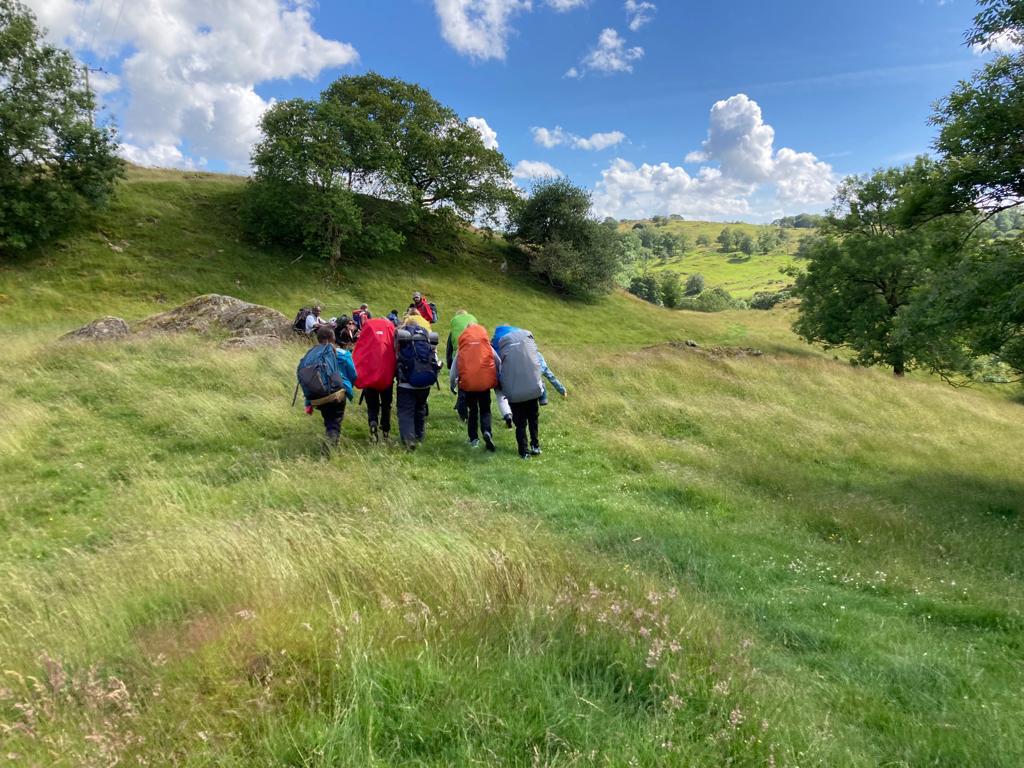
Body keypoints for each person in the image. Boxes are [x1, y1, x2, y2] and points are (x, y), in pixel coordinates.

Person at [296, 326, 354, 452]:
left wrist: (308, 403)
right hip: (336, 393)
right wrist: (348, 388)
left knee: (329, 419)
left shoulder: (311, 354)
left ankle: (330, 440)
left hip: (318, 396)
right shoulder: (343, 354)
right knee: (335, 422)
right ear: (332, 338)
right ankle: (328, 451)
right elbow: (353, 375)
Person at [494, 326, 547, 459]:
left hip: (515, 394)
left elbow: (501, 372)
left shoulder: (502, 349)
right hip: (531, 391)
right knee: (533, 420)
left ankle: (523, 451)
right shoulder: (527, 345)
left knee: (520, 424)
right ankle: (535, 445)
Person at [449, 322, 500, 451]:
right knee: (485, 409)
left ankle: (474, 439)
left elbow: (454, 368)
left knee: (472, 411)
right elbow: (497, 360)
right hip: (484, 383)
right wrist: (498, 375)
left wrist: (452, 384)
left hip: (469, 384)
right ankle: (487, 431)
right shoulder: (485, 343)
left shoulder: (463, 347)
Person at [395, 317, 441, 450]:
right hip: (425, 383)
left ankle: (409, 440)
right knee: (420, 408)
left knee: (405, 412)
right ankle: (419, 436)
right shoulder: (425, 338)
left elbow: (396, 358)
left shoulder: (403, 339)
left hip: (406, 383)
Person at [353, 317, 397, 443]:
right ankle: (386, 431)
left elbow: (357, 355)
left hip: (369, 379)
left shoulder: (366, 338)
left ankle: (373, 422)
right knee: (386, 405)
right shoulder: (389, 335)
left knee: (372, 406)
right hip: (386, 379)